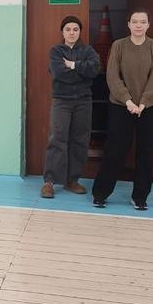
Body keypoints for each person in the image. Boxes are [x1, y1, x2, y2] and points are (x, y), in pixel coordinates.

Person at [91, 9, 153, 210]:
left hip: (151, 107)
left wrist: (143, 103)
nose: (138, 25)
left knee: (146, 152)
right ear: (128, 24)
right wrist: (128, 101)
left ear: (148, 24)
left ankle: (140, 197)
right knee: (115, 150)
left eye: (143, 21)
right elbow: (112, 76)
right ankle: (100, 193)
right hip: (121, 106)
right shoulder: (118, 45)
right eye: (135, 21)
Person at [41, 15, 100, 198]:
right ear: (62, 32)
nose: (72, 32)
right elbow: (59, 73)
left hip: (83, 101)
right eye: (68, 29)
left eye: (75, 29)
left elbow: (94, 70)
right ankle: (49, 182)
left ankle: (72, 181)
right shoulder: (56, 51)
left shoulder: (88, 50)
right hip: (62, 100)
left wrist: (73, 65)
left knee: (80, 140)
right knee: (57, 138)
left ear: (80, 31)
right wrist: (82, 71)